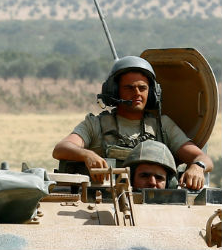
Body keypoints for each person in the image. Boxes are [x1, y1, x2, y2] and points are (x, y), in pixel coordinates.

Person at [52, 56, 212, 190]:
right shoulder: (95, 124)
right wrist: (87, 155)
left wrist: (198, 167)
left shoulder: (162, 126)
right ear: (114, 91)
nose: (137, 93)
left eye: (142, 88)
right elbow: (61, 149)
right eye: (129, 88)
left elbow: (202, 157)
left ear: (152, 93)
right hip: (103, 202)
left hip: (153, 204)